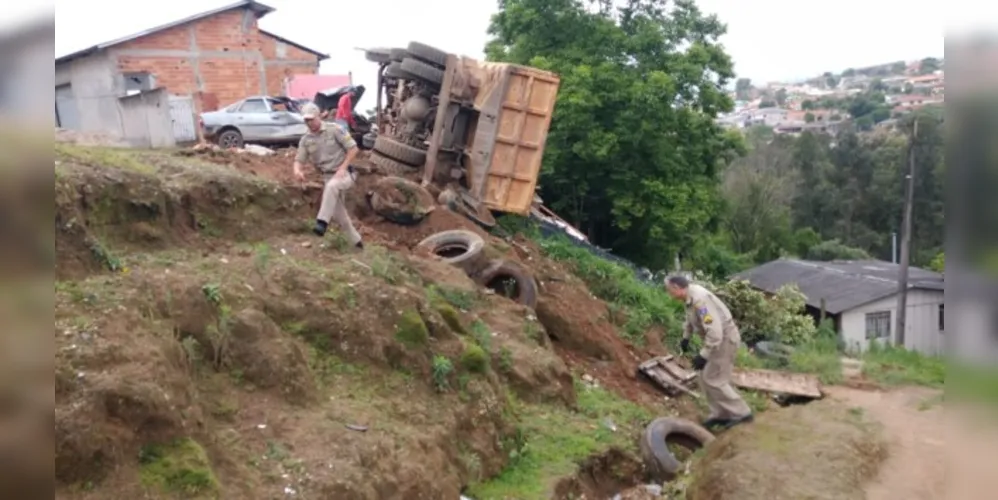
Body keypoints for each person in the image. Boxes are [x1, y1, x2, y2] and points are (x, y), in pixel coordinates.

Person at [665, 274, 754, 429]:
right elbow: (690, 318)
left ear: (676, 288)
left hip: (724, 340)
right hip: (716, 341)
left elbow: (715, 331)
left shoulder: (700, 301)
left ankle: (742, 413)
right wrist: (686, 337)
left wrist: (703, 355)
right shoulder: (690, 297)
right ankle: (721, 414)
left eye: (669, 290)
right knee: (703, 376)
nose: (669, 294)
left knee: (714, 378)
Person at [293, 103, 363, 250]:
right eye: (306, 120)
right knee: (340, 215)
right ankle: (357, 244)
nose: (309, 123)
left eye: (311, 119)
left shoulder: (334, 130)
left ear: (319, 116)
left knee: (332, 185)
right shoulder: (306, 140)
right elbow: (299, 160)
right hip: (327, 177)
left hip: (345, 174)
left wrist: (343, 168)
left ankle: (322, 222)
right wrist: (298, 170)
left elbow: (353, 148)